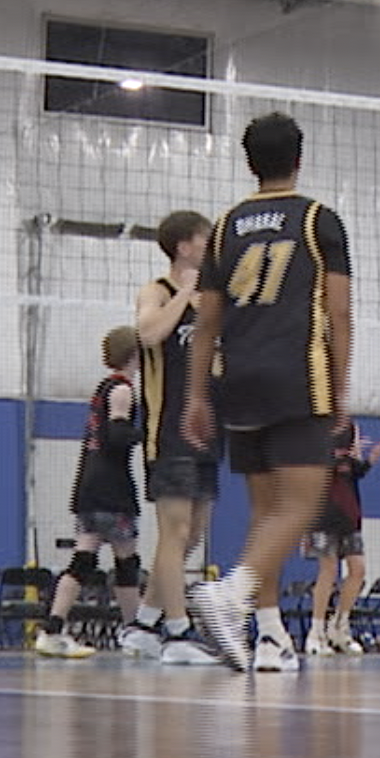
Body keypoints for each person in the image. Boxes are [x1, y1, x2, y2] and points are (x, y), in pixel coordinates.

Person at [181, 112, 353, 673]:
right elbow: (339, 315)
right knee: (301, 507)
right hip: (296, 375)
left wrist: (196, 396)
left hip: (237, 378)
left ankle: (270, 636)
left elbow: (205, 323)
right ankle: (230, 597)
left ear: (249, 161)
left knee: (265, 515)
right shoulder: (318, 220)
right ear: (299, 158)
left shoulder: (227, 224)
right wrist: (340, 391)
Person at [129, 208, 220, 664]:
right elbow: (147, 335)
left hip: (209, 433)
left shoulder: (214, 299)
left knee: (192, 536)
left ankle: (144, 622)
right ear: (185, 246)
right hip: (169, 431)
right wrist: (185, 292)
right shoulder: (158, 291)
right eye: (207, 239)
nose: (213, 246)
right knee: (174, 530)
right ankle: (179, 632)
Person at [37, 325, 149, 659]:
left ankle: (53, 628)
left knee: (87, 560)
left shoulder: (103, 387)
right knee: (124, 561)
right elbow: (116, 436)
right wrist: (148, 434)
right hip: (110, 486)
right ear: (134, 354)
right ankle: (133, 633)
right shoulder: (122, 389)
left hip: (90, 482)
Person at [306, 418, 380, 655]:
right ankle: (315, 632)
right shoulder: (313, 430)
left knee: (358, 569)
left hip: (349, 515)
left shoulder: (350, 427)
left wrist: (367, 461)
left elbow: (353, 472)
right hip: (322, 512)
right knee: (328, 570)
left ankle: (339, 625)